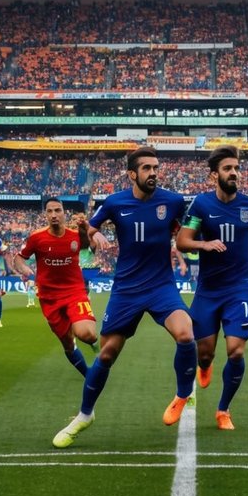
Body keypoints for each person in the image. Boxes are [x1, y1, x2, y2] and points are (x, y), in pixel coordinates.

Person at [53, 146, 195, 448]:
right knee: (106, 354)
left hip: (161, 286)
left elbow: (184, 233)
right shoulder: (115, 203)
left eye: (156, 167)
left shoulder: (173, 201)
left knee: (186, 334)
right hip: (126, 289)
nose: (153, 173)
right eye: (146, 168)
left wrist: (193, 248)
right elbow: (86, 239)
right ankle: (84, 415)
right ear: (132, 173)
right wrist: (90, 234)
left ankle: (183, 395)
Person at [177, 146, 248, 431]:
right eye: (228, 168)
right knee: (204, 353)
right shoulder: (201, 205)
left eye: (236, 168)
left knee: (236, 351)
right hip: (208, 289)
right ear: (213, 175)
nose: (234, 173)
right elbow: (182, 241)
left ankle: (223, 410)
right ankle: (205, 367)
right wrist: (204, 244)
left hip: (240, 288)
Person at [8, 198, 98, 377]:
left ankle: (89, 338)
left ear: (64, 213)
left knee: (88, 335)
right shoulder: (37, 237)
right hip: (49, 298)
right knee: (68, 343)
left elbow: (91, 247)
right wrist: (25, 269)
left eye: (57, 210)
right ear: (45, 215)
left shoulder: (74, 235)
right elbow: (19, 257)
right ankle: (88, 376)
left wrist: (86, 230)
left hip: (74, 292)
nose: (54, 215)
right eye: (50, 211)